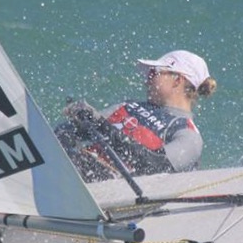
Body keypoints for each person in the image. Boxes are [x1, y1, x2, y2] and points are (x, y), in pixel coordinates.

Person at [55, 50, 217, 182]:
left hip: (117, 196)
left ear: (177, 80)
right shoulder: (128, 106)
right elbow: (70, 132)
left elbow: (155, 165)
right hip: (75, 174)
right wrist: (77, 123)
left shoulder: (188, 135)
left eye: (154, 73)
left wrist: (102, 127)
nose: (147, 80)